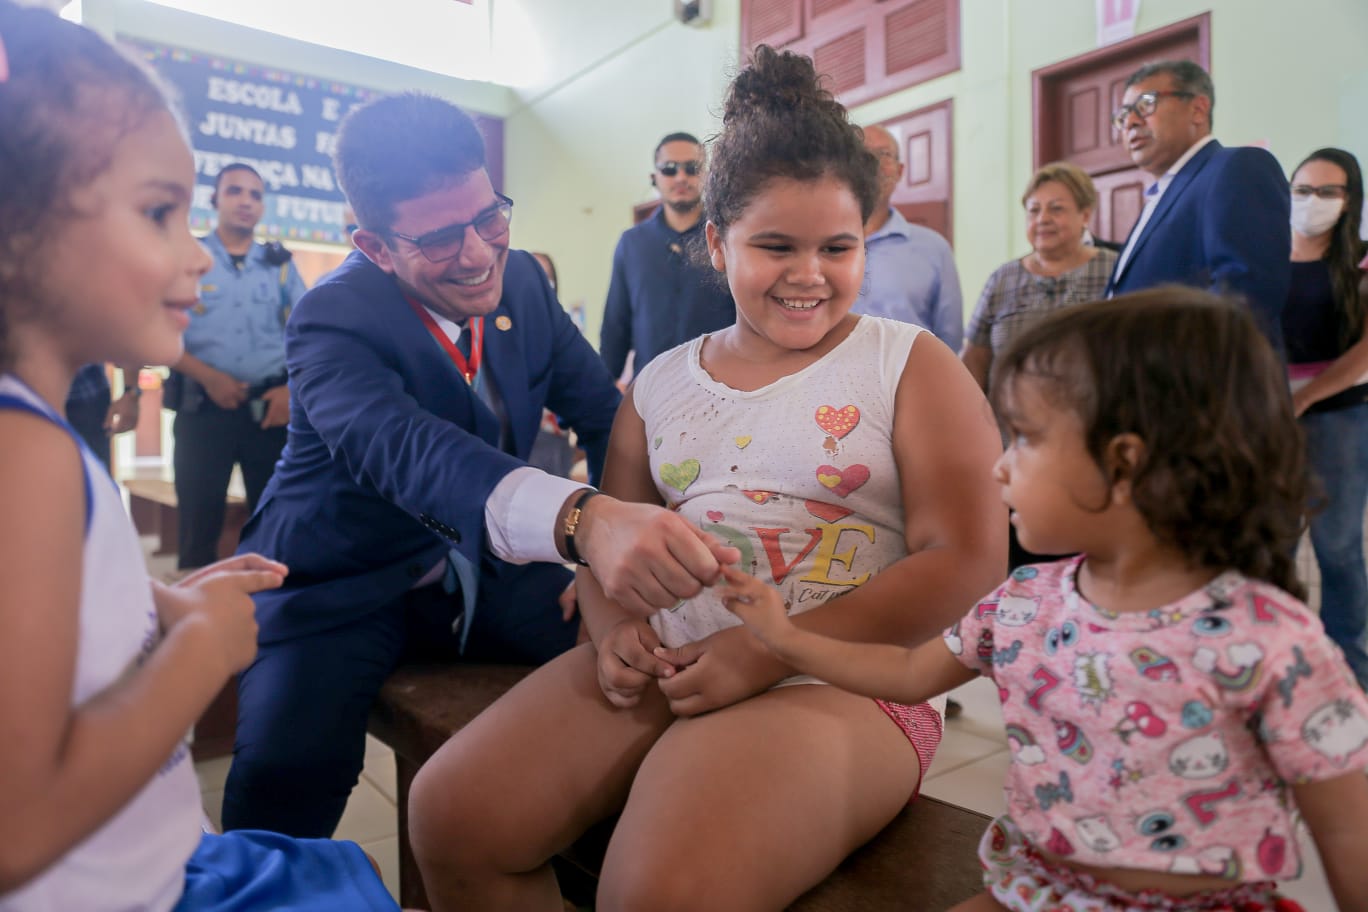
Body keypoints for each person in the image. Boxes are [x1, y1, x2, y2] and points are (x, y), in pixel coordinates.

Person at [406, 46, 1006, 912]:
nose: (810, 274)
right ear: (717, 245)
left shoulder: (909, 365)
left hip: (848, 680)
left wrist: (765, 652)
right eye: (775, 246)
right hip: (675, 654)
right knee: (454, 814)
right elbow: (613, 540)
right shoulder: (662, 382)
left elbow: (969, 563)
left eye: (838, 247)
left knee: (660, 892)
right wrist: (612, 628)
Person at [725, 289, 1368, 912]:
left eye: (1026, 438)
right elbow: (907, 673)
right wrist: (785, 637)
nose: (1000, 466)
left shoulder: (1271, 641)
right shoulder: (1026, 603)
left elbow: (1346, 829)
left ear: (1122, 465)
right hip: (1038, 894)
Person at [223, 92, 740, 839]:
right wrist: (582, 524)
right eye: (437, 239)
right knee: (284, 777)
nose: (476, 254)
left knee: (638, 663)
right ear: (374, 246)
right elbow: (408, 451)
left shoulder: (523, 280)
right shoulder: (332, 318)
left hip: (477, 573)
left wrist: (609, 577)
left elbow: (604, 413)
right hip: (340, 581)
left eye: (489, 218)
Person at [0, 5, 399, 909]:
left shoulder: (31, 439)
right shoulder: (23, 457)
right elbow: (15, 826)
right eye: (157, 212)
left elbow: (46, 602)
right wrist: (200, 653)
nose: (196, 255)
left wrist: (164, 604)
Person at [165, 162, 308, 569]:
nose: (246, 201)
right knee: (198, 521)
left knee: (275, 519)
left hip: (271, 411)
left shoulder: (279, 265)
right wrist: (208, 377)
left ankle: (270, 618)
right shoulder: (189, 259)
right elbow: (157, 332)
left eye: (255, 195)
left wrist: (291, 390)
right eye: (235, 191)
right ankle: (194, 620)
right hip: (204, 409)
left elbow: (312, 335)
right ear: (215, 200)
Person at [1105, 61, 1291, 353]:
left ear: (1198, 109)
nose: (1130, 122)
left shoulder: (1236, 167)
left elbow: (1246, 294)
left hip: (1198, 389)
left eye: (1146, 104)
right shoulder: (1163, 194)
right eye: (1123, 115)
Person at [1283, 148, 1368, 690]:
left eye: (1327, 192)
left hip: (1337, 415)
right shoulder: (1263, 254)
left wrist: (1306, 397)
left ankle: (1349, 671)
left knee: (1336, 547)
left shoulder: (1360, 260)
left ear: (1349, 200)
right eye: (1302, 190)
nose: (1312, 202)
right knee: (1270, 545)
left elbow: (1365, 351)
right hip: (1265, 415)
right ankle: (1276, 662)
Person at [962, 162, 1116, 394]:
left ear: (1085, 215)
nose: (1043, 219)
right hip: (1008, 425)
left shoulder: (1114, 269)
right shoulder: (1003, 278)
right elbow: (974, 360)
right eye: (1034, 210)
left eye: (1056, 209)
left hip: (1094, 422)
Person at [598, 132, 736, 383]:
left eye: (692, 168)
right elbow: (615, 328)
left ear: (707, 175)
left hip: (723, 386)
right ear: (655, 178)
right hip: (651, 392)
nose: (681, 177)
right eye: (670, 169)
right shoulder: (632, 244)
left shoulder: (728, 236)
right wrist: (599, 396)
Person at [854, 123, 964, 349]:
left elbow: (949, 342)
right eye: (863, 154)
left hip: (908, 381)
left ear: (900, 170)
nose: (872, 163)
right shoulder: (817, 243)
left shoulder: (934, 248)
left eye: (883, 154)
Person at [63, 363, 140, 469]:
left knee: (91, 477)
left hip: (87, 400)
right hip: (38, 399)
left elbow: (128, 347)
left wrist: (131, 393)